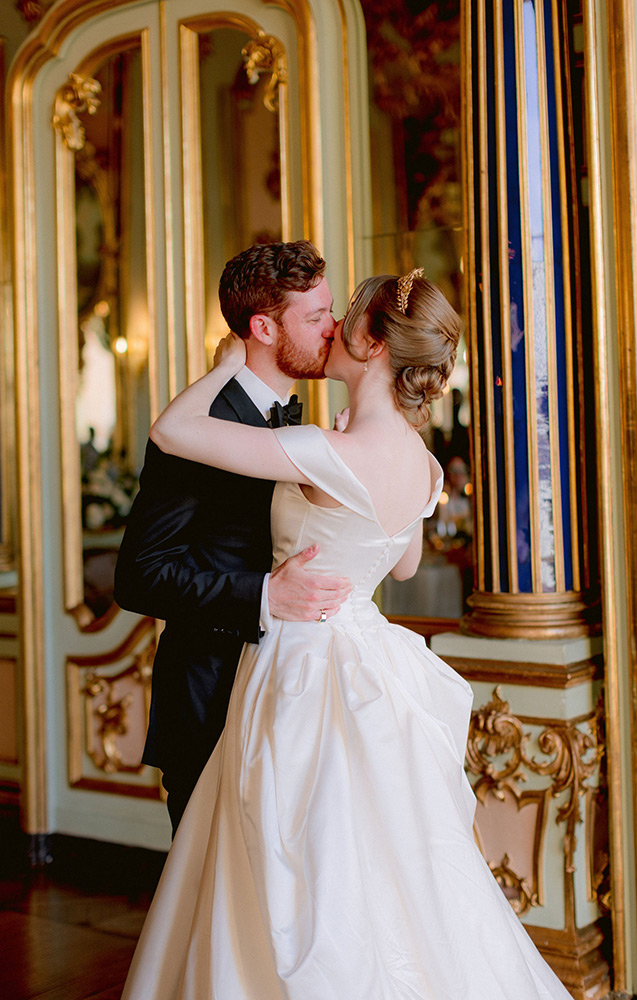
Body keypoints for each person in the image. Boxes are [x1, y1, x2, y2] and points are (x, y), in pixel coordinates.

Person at [121, 269, 573, 999]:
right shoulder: (422, 466)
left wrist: (226, 366)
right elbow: (401, 560)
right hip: (367, 656)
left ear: (369, 341)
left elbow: (173, 431)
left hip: (299, 661)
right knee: (380, 867)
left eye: (340, 318)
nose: (330, 330)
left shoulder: (323, 449)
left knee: (286, 863)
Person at [114, 241, 351, 833]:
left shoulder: (292, 417)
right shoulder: (198, 430)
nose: (333, 328)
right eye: (316, 316)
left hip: (280, 695)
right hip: (209, 701)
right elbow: (138, 574)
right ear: (264, 327)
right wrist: (263, 596)